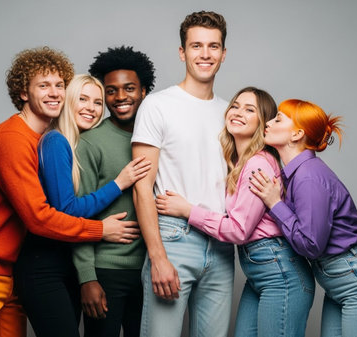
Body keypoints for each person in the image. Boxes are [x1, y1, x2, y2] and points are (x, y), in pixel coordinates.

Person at [0, 47, 139, 337]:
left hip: (8, 269)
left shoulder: (42, 139)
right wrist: (101, 229)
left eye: (59, 85)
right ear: (23, 92)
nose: (54, 93)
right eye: (43, 86)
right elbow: (41, 218)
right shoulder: (14, 140)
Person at [156, 87, 315, 337]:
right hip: (260, 272)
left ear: (263, 123)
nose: (238, 112)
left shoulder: (257, 164)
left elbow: (239, 229)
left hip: (280, 272)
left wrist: (187, 210)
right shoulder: (241, 162)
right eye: (235, 105)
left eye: (249, 109)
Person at [14, 74, 149, 337]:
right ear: (68, 102)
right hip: (43, 263)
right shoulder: (56, 142)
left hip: (65, 262)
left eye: (97, 102)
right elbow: (66, 211)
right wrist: (118, 184)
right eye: (83, 99)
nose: (91, 108)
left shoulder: (77, 145)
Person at [131, 11, 235, 337]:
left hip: (221, 243)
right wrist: (158, 257)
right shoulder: (158, 105)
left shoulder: (230, 112)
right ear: (182, 52)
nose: (205, 54)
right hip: (174, 240)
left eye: (213, 46)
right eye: (196, 46)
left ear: (223, 53)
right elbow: (141, 188)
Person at [249, 99, 357, 337]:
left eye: (278, 119)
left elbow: (311, 245)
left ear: (297, 134)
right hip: (341, 282)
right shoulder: (295, 174)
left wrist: (275, 204)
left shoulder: (308, 177)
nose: (268, 123)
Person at [73, 46, 156, 337]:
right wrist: (87, 279)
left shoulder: (157, 139)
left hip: (149, 270)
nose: (120, 97)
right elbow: (76, 213)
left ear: (144, 91)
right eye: (111, 90)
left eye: (129, 88)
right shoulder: (91, 142)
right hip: (105, 271)